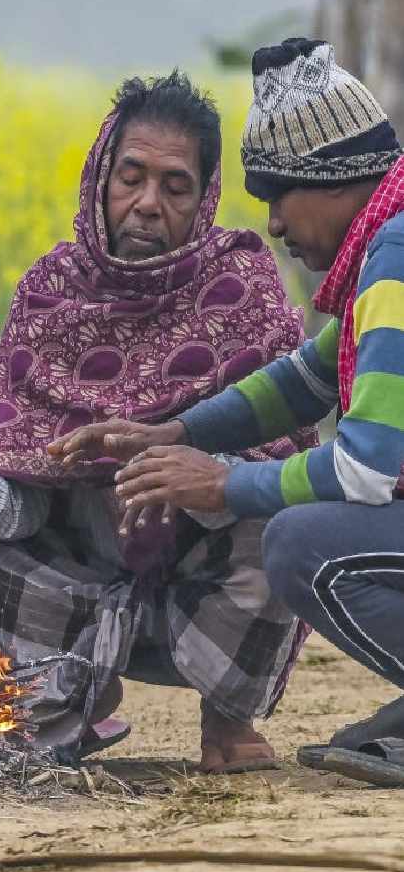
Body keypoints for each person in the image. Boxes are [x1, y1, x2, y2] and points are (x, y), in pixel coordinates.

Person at [0, 72, 315, 770]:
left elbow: (279, 459)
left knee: (288, 526)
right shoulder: (49, 293)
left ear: (206, 198)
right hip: (76, 582)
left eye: (175, 187)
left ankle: (226, 722)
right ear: (101, 177)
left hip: (203, 579)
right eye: (132, 177)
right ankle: (68, 699)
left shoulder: (241, 285)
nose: (147, 205)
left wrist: (198, 478)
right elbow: (21, 465)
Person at [69, 39, 404, 785]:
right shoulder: (387, 244)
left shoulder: (396, 255)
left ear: (332, 181)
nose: (276, 225)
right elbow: (303, 381)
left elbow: (367, 468)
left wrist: (221, 482)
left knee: (298, 544)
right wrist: (178, 431)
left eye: (278, 197)